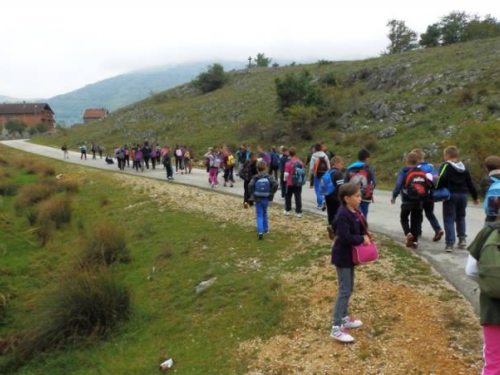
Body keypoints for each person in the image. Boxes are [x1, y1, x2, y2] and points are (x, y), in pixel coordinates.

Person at [330, 183, 369, 343]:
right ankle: (336, 327)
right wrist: (361, 239)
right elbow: (345, 236)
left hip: (350, 256)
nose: (360, 199)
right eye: (357, 196)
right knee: (344, 290)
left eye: (360, 196)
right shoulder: (342, 214)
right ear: (346, 198)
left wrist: (365, 234)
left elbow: (357, 230)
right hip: (343, 257)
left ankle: (344, 317)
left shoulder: (354, 211)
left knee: (349, 288)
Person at [466, 222, 500, 375]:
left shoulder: (489, 231)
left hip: (494, 312)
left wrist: (489, 284)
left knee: (494, 365)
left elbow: (471, 270)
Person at [435, 146, 479, 252]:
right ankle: (462, 238)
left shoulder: (446, 165)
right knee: (460, 216)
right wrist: (475, 196)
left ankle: (450, 243)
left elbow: (441, 178)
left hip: (451, 194)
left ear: (447, 155)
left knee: (449, 218)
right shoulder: (463, 166)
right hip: (463, 195)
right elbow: (469, 182)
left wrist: (436, 188)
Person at [391, 152, 433, 249]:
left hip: (406, 200)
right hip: (419, 200)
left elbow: (398, 184)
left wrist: (394, 196)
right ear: (417, 161)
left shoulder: (404, 171)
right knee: (416, 221)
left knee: (404, 218)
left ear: (407, 161)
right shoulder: (421, 171)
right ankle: (415, 242)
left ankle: (408, 233)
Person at [412, 148, 444, 242]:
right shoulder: (431, 166)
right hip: (430, 193)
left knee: (418, 212)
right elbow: (435, 178)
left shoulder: (416, 167)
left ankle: (418, 230)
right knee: (429, 213)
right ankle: (438, 229)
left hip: (420, 192)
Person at [248, 161, 279, 240]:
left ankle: (260, 231)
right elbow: (275, 184)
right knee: (265, 213)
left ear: (257, 169)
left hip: (258, 198)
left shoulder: (255, 177)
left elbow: (250, 185)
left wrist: (253, 193)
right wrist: (271, 193)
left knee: (259, 214)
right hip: (266, 197)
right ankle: (266, 229)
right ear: (265, 168)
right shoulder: (269, 176)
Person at [345, 149, 376, 218]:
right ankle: (363, 227)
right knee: (363, 215)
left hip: (352, 195)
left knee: (353, 213)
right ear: (367, 159)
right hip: (366, 197)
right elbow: (374, 183)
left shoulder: (351, 168)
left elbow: (345, 183)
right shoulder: (369, 169)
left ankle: (355, 227)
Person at [324, 156, 345, 240]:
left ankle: (331, 227)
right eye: (341, 163)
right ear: (336, 163)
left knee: (330, 212)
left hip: (327, 195)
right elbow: (341, 186)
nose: (342, 166)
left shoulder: (328, 172)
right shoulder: (338, 173)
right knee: (338, 213)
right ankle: (335, 230)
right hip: (336, 197)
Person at [283, 147, 305, 218]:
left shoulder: (288, 163)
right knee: (298, 196)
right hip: (298, 182)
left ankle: (287, 210)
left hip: (290, 183)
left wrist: (285, 180)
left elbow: (286, 174)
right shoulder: (300, 162)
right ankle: (298, 212)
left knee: (288, 196)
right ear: (296, 153)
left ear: (289, 154)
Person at [480, 155, 500, 226]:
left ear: (486, 168)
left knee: (485, 235)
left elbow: (483, 194)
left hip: (490, 218)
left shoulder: (485, 180)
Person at [309, 143, 331, 210]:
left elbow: (311, 168)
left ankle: (320, 203)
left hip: (317, 175)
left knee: (317, 189)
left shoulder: (313, 156)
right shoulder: (325, 156)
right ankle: (324, 200)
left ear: (315, 149)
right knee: (324, 188)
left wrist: (311, 174)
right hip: (324, 174)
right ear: (321, 148)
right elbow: (328, 166)